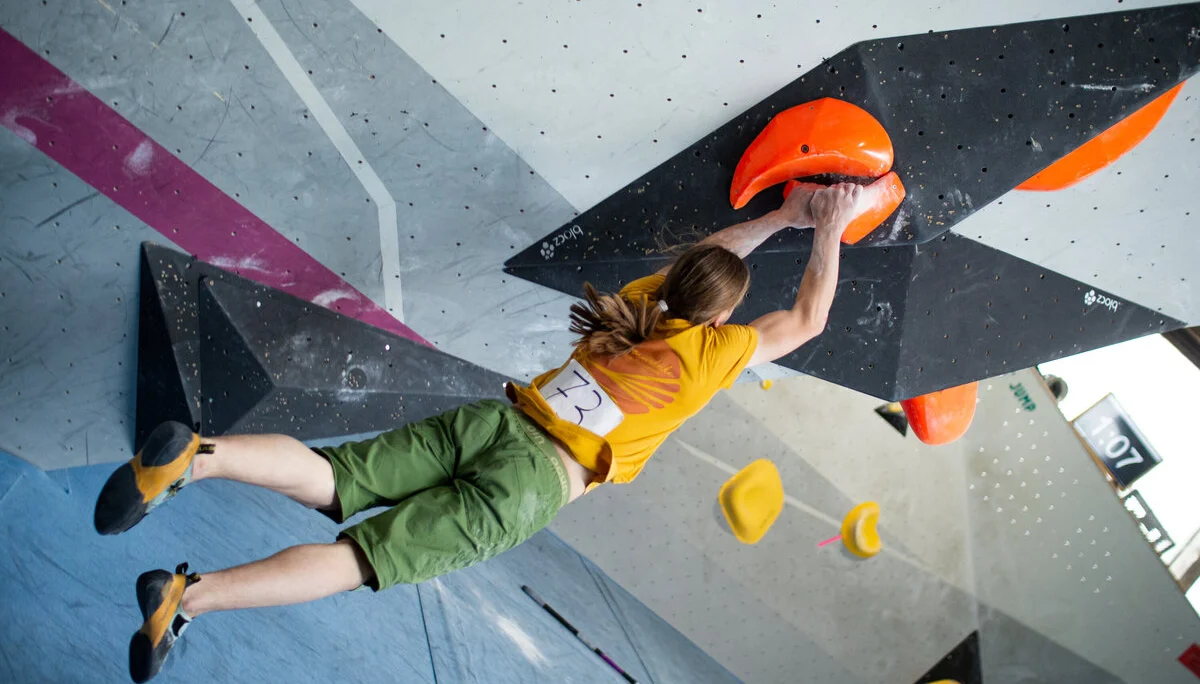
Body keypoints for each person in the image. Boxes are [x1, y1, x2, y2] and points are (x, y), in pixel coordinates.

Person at [94, 181, 870, 682]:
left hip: (495, 420)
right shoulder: (713, 353)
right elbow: (806, 318)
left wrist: (788, 214)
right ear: (724, 318)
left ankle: (196, 459)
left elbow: (704, 269)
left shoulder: (638, 304)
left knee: (335, 476)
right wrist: (830, 228)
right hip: (532, 484)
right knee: (360, 558)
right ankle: (187, 601)